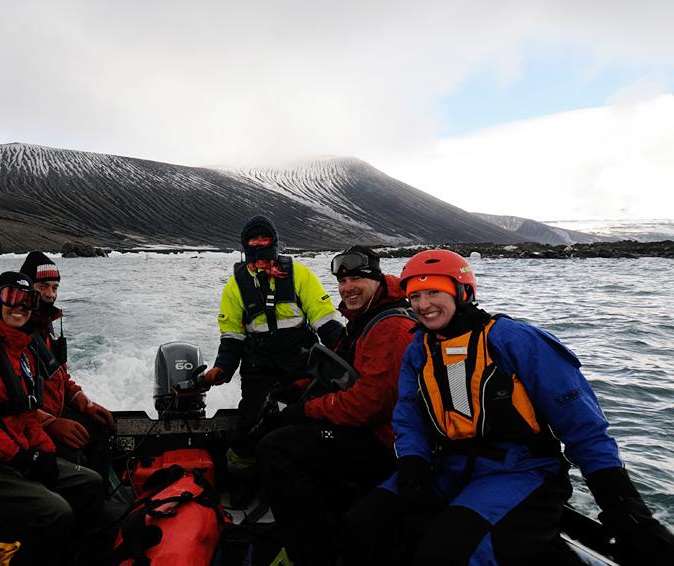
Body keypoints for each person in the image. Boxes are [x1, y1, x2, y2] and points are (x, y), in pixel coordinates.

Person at [345, 249, 674, 565]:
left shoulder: (514, 340)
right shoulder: (420, 349)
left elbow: (582, 425)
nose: (423, 304)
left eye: (433, 292)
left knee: (446, 555)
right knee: (363, 526)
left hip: (520, 470)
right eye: (415, 296)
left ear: (462, 292)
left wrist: (620, 502)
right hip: (448, 465)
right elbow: (409, 416)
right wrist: (414, 472)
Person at [255, 245, 417, 565]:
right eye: (342, 282)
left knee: (276, 448)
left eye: (357, 278)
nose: (347, 288)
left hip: (388, 441)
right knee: (288, 432)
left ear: (378, 279)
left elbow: (369, 403)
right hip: (370, 429)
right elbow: (339, 370)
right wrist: (296, 390)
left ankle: (312, 554)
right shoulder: (364, 319)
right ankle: (322, 525)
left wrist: (305, 410)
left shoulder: (391, 327)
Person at [0, 271, 104, 565]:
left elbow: (25, 410)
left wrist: (45, 452)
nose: (20, 307)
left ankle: (77, 554)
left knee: (90, 482)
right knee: (55, 511)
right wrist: (21, 457)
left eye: (28, 301)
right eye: (12, 297)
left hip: (15, 448)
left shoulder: (18, 347)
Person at [202, 214, 344, 493]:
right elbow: (232, 334)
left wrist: (347, 353)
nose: (259, 245)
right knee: (249, 428)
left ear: (276, 243)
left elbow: (325, 320)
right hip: (259, 365)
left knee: (306, 422)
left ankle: (307, 484)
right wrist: (222, 368)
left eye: (264, 239)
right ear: (244, 246)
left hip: (302, 362)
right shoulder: (235, 285)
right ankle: (243, 483)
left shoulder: (300, 274)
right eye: (253, 240)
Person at [18, 252, 115, 490]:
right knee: (75, 458)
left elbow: (58, 374)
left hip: (55, 413)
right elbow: (9, 395)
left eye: (55, 287)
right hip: (28, 424)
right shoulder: (14, 329)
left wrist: (81, 400)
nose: (50, 294)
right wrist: (50, 424)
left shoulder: (44, 327)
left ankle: (103, 499)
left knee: (102, 428)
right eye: (42, 286)